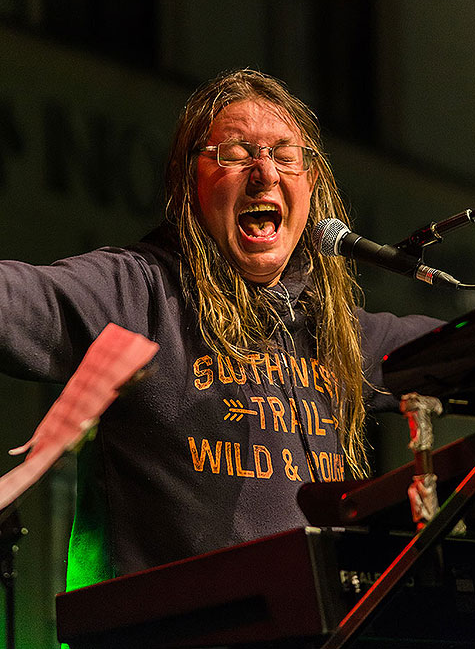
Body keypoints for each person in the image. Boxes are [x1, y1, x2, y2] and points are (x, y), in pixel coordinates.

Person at [0, 69, 440, 592]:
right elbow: (18, 299)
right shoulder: (139, 294)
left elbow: (466, 349)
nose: (265, 173)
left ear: (311, 183)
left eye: (284, 154)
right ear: (191, 181)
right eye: (235, 153)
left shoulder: (335, 332)